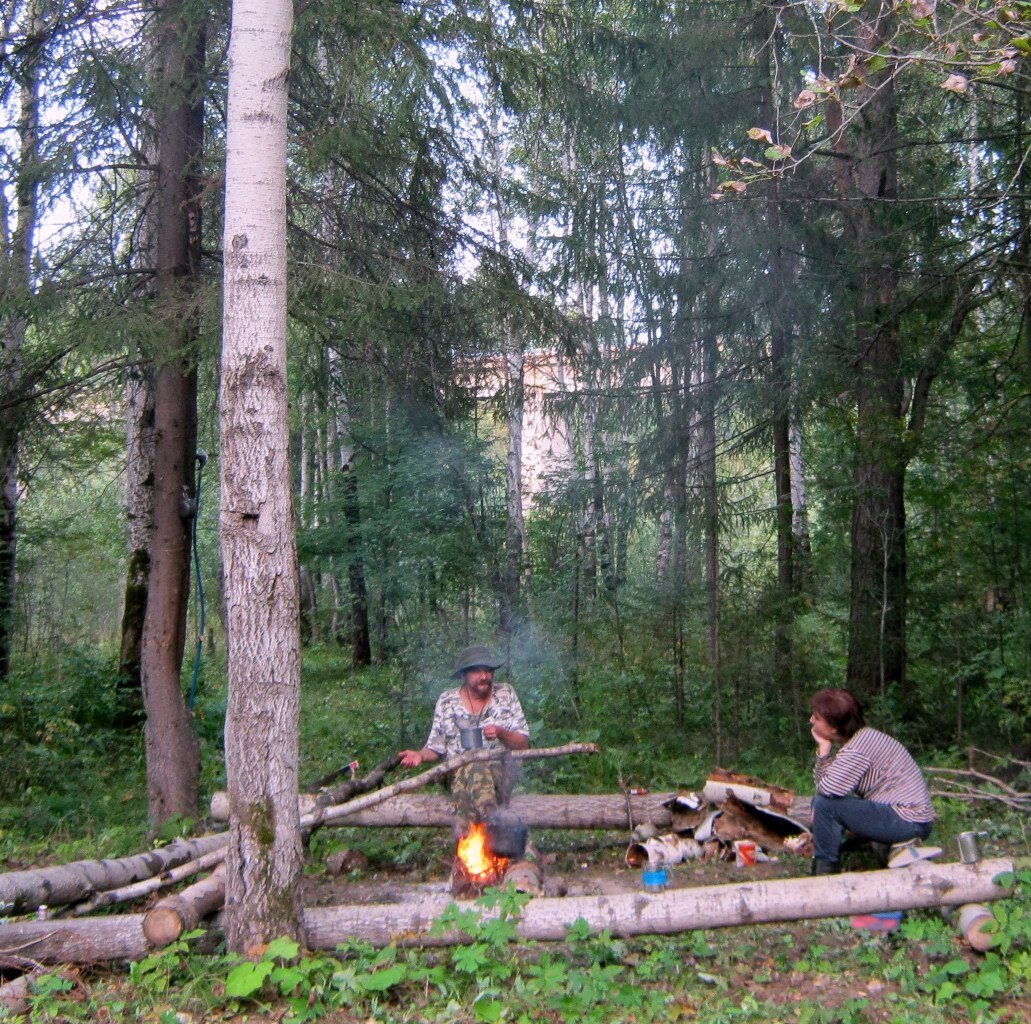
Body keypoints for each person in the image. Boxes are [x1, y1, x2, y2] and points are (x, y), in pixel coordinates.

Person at [399, 644, 529, 830]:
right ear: (464, 675)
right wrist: (420, 755)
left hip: (499, 773)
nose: (484, 676)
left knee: (471, 774)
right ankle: (493, 828)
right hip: (455, 771)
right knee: (466, 769)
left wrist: (501, 732)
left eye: (488, 670)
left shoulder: (506, 694)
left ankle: (467, 838)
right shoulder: (447, 701)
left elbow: (522, 744)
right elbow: (435, 748)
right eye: (477, 671)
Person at [809, 688, 935, 874]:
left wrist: (823, 750)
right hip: (906, 817)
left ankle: (824, 874)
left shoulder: (857, 749)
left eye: (817, 718)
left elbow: (826, 790)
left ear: (834, 728)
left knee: (824, 805)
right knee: (820, 803)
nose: (811, 721)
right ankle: (835, 858)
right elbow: (828, 787)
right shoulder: (863, 738)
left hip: (908, 820)